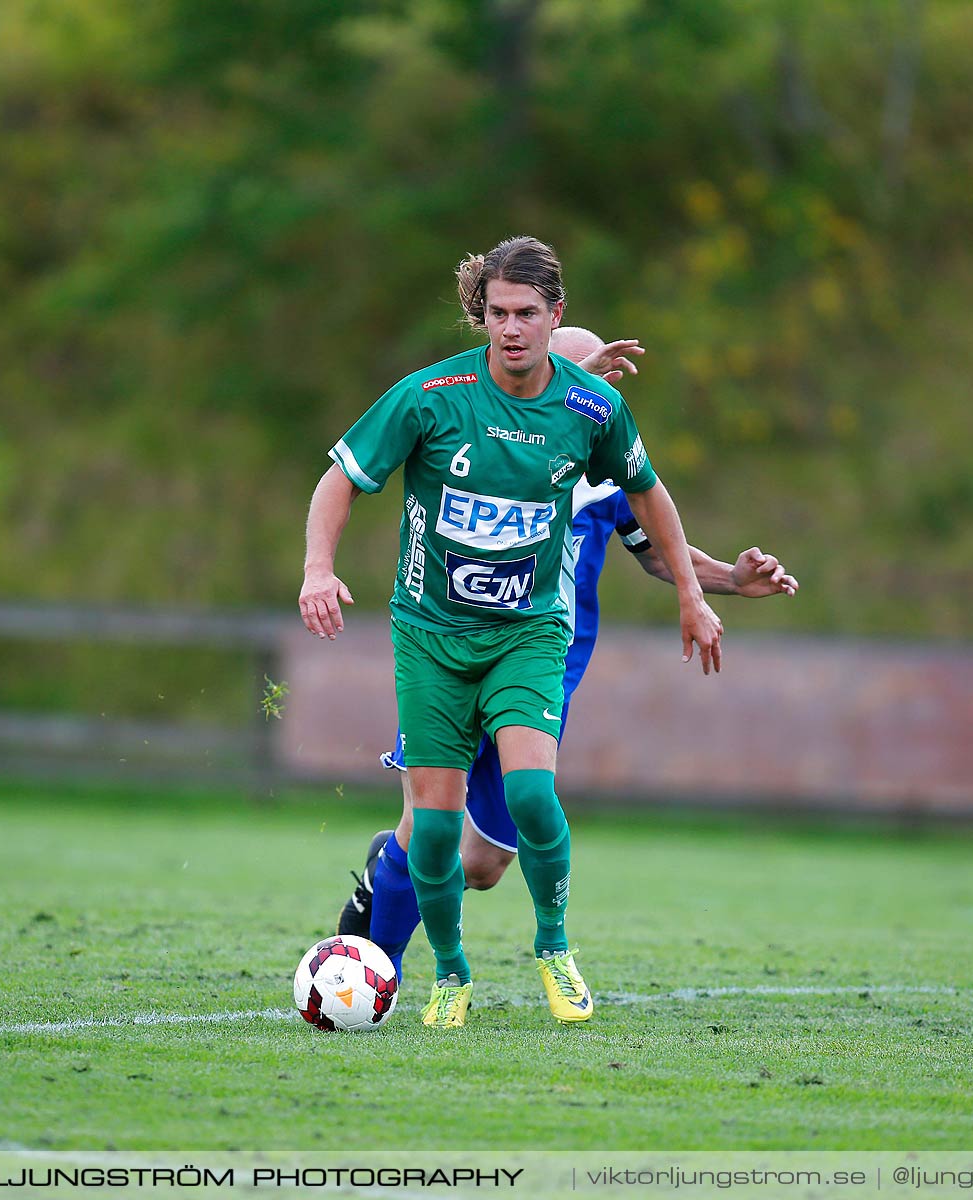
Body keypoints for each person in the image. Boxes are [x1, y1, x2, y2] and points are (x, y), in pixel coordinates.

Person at [299, 235, 722, 1028]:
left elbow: (650, 500)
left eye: (529, 314)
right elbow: (340, 479)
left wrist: (697, 594)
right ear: (480, 316)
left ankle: (554, 948)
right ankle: (446, 974)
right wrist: (319, 570)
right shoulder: (431, 396)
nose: (513, 328)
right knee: (440, 838)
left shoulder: (592, 412)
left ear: (553, 314)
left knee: (530, 794)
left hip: (529, 635)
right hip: (432, 635)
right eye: (498, 313)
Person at [334, 325, 798, 994]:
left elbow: (658, 552)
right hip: (455, 649)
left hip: (540, 670)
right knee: (427, 819)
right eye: (586, 370)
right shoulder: (497, 441)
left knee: (486, 862)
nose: (598, 387)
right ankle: (372, 968)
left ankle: (393, 867)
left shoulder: (605, 477)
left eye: (605, 376)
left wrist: (731, 579)